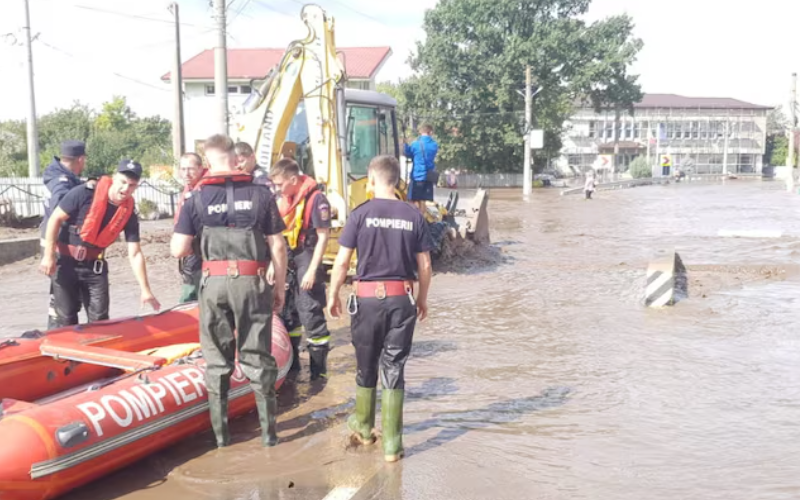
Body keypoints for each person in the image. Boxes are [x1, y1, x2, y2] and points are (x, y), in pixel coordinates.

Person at [170, 134, 288, 448]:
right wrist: (280, 287)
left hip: (214, 283)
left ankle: (222, 441)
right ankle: (269, 437)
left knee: (217, 361)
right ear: (235, 158)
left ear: (207, 161)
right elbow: (278, 244)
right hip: (253, 281)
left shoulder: (196, 197)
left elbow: (178, 248)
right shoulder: (261, 194)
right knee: (258, 357)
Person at [328, 155, 434, 463]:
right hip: (403, 299)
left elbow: (343, 261)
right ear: (398, 182)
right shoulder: (413, 216)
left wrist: (333, 293)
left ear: (371, 182)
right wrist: (423, 298)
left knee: (365, 364)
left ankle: (363, 428)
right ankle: (392, 445)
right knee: (394, 367)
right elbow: (425, 265)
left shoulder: (360, 214)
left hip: (367, 301)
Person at [39, 159, 161, 326]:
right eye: (123, 182)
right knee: (66, 318)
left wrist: (145, 289)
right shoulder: (83, 193)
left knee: (100, 319)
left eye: (131, 185)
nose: (125, 189)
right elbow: (55, 219)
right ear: (114, 178)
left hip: (94, 267)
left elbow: (135, 253)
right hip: (65, 264)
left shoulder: (129, 212)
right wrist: (48, 256)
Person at [270, 158, 332, 380]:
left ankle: (319, 373)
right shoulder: (283, 201)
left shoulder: (317, 200)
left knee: (310, 312)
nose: (277, 189)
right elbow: (278, 237)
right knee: (287, 314)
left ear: (293, 179)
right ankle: (293, 367)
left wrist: (312, 270)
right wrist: (272, 265)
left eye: (280, 184)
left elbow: (324, 237)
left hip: (307, 255)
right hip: (288, 257)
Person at [40, 140, 89, 329]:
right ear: (80, 159)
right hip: (57, 244)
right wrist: (49, 255)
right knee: (64, 297)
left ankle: (57, 332)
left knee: (62, 295)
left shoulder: (61, 176)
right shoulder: (61, 182)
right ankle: (57, 337)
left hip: (58, 243)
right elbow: (60, 211)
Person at [174, 152, 208, 303]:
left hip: (200, 249)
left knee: (191, 291)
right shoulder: (189, 188)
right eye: (183, 169)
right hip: (189, 248)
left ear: (201, 168)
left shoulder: (206, 190)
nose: (186, 173)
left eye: (191, 169)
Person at [403, 124, 439, 214]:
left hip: (417, 176)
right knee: (423, 200)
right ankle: (422, 220)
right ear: (430, 132)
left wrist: (405, 145)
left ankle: (415, 220)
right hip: (429, 177)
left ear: (421, 132)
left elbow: (408, 154)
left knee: (413, 200)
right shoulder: (434, 145)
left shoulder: (416, 144)